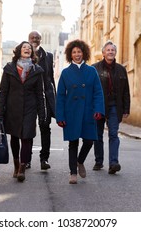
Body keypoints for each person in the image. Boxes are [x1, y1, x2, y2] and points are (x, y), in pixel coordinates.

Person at [56, 39, 105, 184]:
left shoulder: (91, 71)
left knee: (89, 141)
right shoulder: (65, 73)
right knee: (73, 143)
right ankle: (72, 173)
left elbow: (98, 92)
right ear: (70, 55)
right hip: (71, 112)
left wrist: (98, 109)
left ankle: (80, 161)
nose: (77, 54)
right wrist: (60, 116)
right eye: (74, 52)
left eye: (79, 51)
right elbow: (60, 96)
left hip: (88, 111)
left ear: (84, 53)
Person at [0, 41, 46, 182]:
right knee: (15, 137)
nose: (27, 49)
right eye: (24, 47)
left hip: (30, 109)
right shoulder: (9, 69)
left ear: (32, 52)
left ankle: (22, 168)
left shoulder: (37, 71)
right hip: (13, 108)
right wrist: (0, 113)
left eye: (29, 48)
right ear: (19, 51)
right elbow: (3, 92)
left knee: (27, 137)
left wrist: (42, 113)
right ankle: (16, 163)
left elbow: (40, 94)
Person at [92, 40, 130, 174]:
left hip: (115, 106)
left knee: (113, 134)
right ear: (103, 53)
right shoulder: (94, 68)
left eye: (112, 50)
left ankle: (113, 163)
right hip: (99, 106)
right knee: (97, 135)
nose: (110, 52)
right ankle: (99, 161)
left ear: (115, 53)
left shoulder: (121, 69)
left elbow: (126, 90)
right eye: (108, 50)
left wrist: (126, 109)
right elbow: (90, 90)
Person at [27, 30, 56, 170]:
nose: (35, 39)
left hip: (45, 98)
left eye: (38, 38)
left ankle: (44, 159)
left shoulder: (48, 56)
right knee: (28, 129)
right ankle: (26, 160)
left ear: (41, 40)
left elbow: (50, 79)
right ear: (28, 39)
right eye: (32, 37)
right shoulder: (24, 54)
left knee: (45, 128)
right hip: (29, 99)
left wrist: (53, 99)